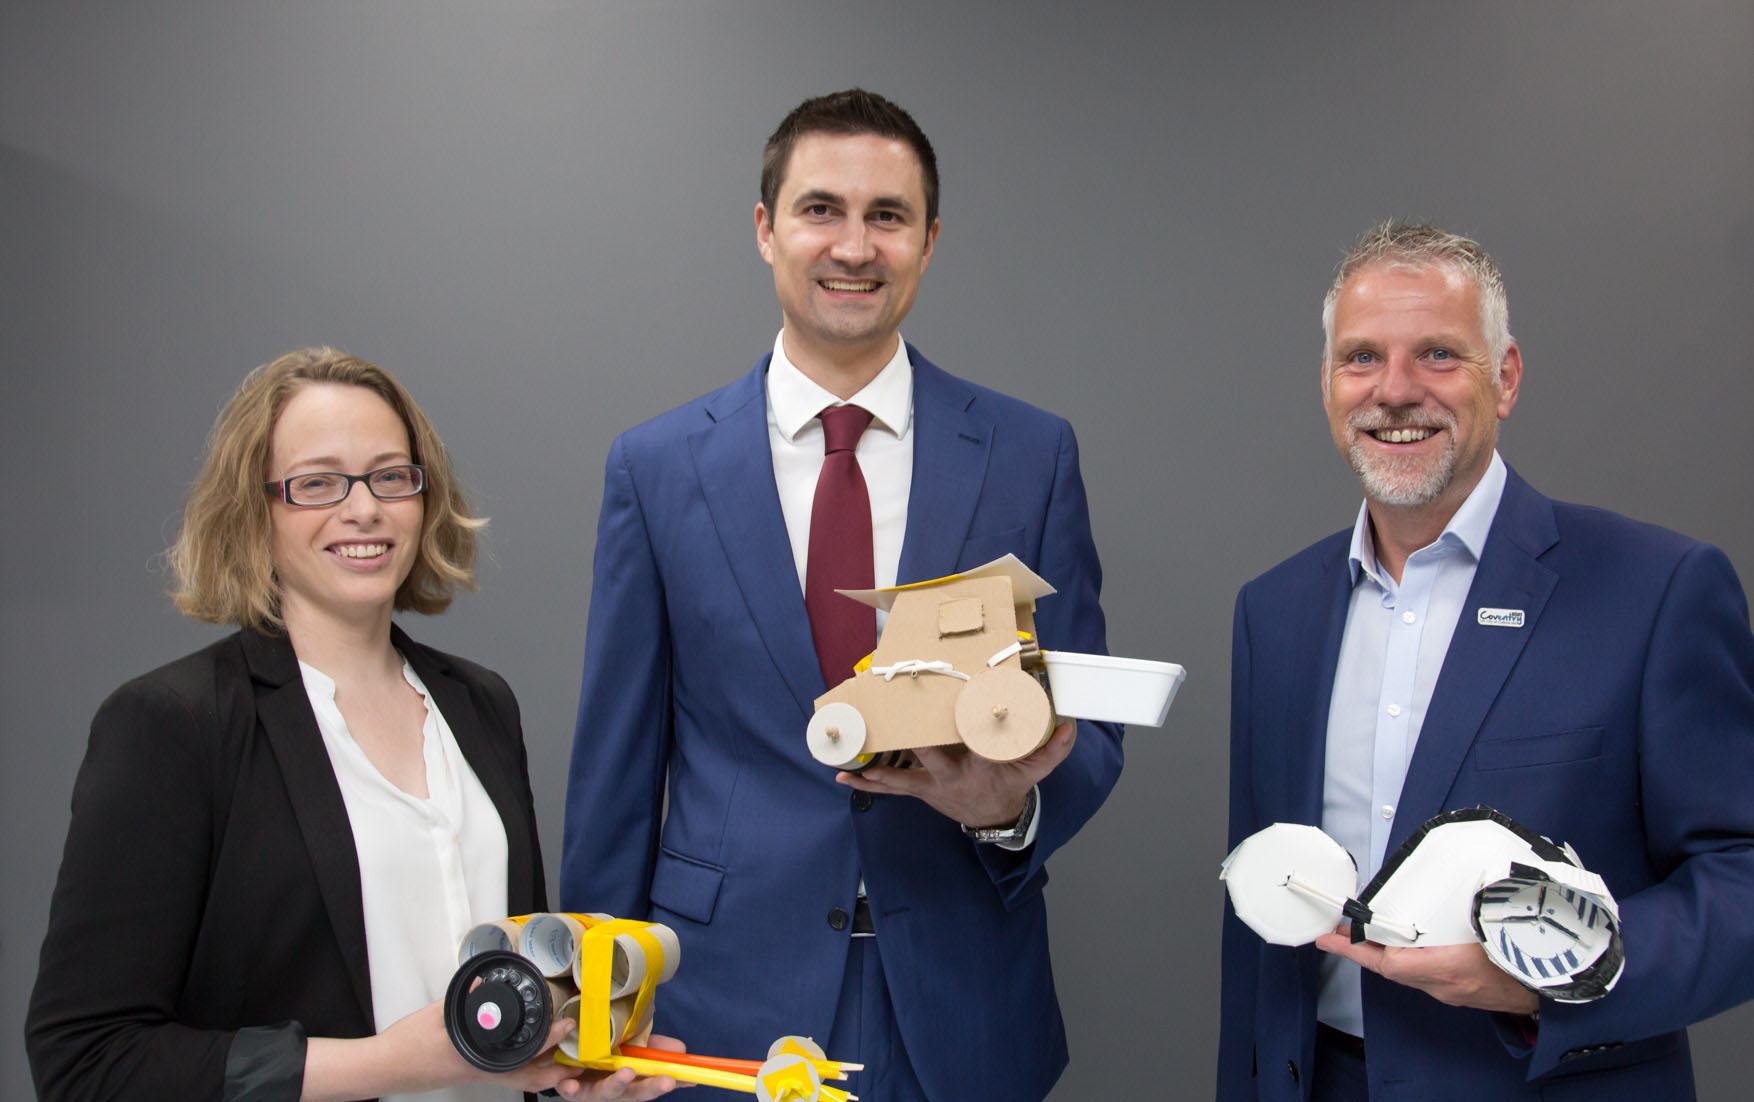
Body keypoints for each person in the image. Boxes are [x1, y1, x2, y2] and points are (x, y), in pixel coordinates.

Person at [560, 89, 1122, 1101]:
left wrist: (1008, 814)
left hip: (959, 1001)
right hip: (719, 1007)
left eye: (887, 216)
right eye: (821, 209)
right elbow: (615, 764)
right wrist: (589, 1021)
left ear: (929, 240)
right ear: (766, 229)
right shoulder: (654, 469)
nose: (853, 246)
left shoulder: (1027, 456)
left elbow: (1086, 719)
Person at [26, 348, 678, 1102]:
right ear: (254, 508)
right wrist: (392, 1064)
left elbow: (508, 1004)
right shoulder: (172, 725)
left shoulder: (478, 704)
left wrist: (568, 1075)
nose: (363, 507)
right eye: (317, 483)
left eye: (390, 476)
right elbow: (86, 1063)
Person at [1218, 223, 1754, 1099]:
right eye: (1361, 358)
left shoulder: (1655, 591)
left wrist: (1550, 978)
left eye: (1437, 355)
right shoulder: (1272, 612)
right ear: (1326, 385)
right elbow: (1259, 907)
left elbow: (1744, 874)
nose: (1394, 391)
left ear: (1503, 378)